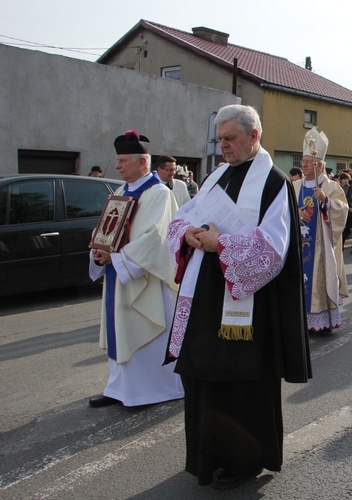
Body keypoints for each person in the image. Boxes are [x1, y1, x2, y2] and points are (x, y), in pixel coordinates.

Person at [164, 104, 311, 489]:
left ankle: (244, 462)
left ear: (254, 136)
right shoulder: (217, 175)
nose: (224, 146)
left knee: (242, 383)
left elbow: (274, 249)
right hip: (206, 298)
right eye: (220, 139)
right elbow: (184, 214)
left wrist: (222, 244)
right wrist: (189, 234)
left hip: (247, 308)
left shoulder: (273, 182)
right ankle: (206, 456)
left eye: (231, 138)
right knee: (204, 376)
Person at [88, 130, 183, 408]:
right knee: (119, 329)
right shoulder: (120, 192)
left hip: (145, 279)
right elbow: (105, 229)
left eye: (122, 161)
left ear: (142, 162)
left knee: (142, 332)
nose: (117, 166)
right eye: (117, 161)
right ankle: (118, 388)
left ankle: (149, 391)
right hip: (118, 274)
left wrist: (116, 258)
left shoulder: (159, 194)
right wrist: (98, 251)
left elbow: (155, 238)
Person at [293, 128, 348, 335]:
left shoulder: (331, 186)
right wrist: (296, 212)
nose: (303, 165)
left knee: (318, 278)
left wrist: (326, 201)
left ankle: (320, 321)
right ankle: (300, 319)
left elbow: (342, 211)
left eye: (308, 162)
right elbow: (282, 211)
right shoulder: (295, 186)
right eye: (303, 162)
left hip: (320, 246)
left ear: (319, 165)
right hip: (297, 244)